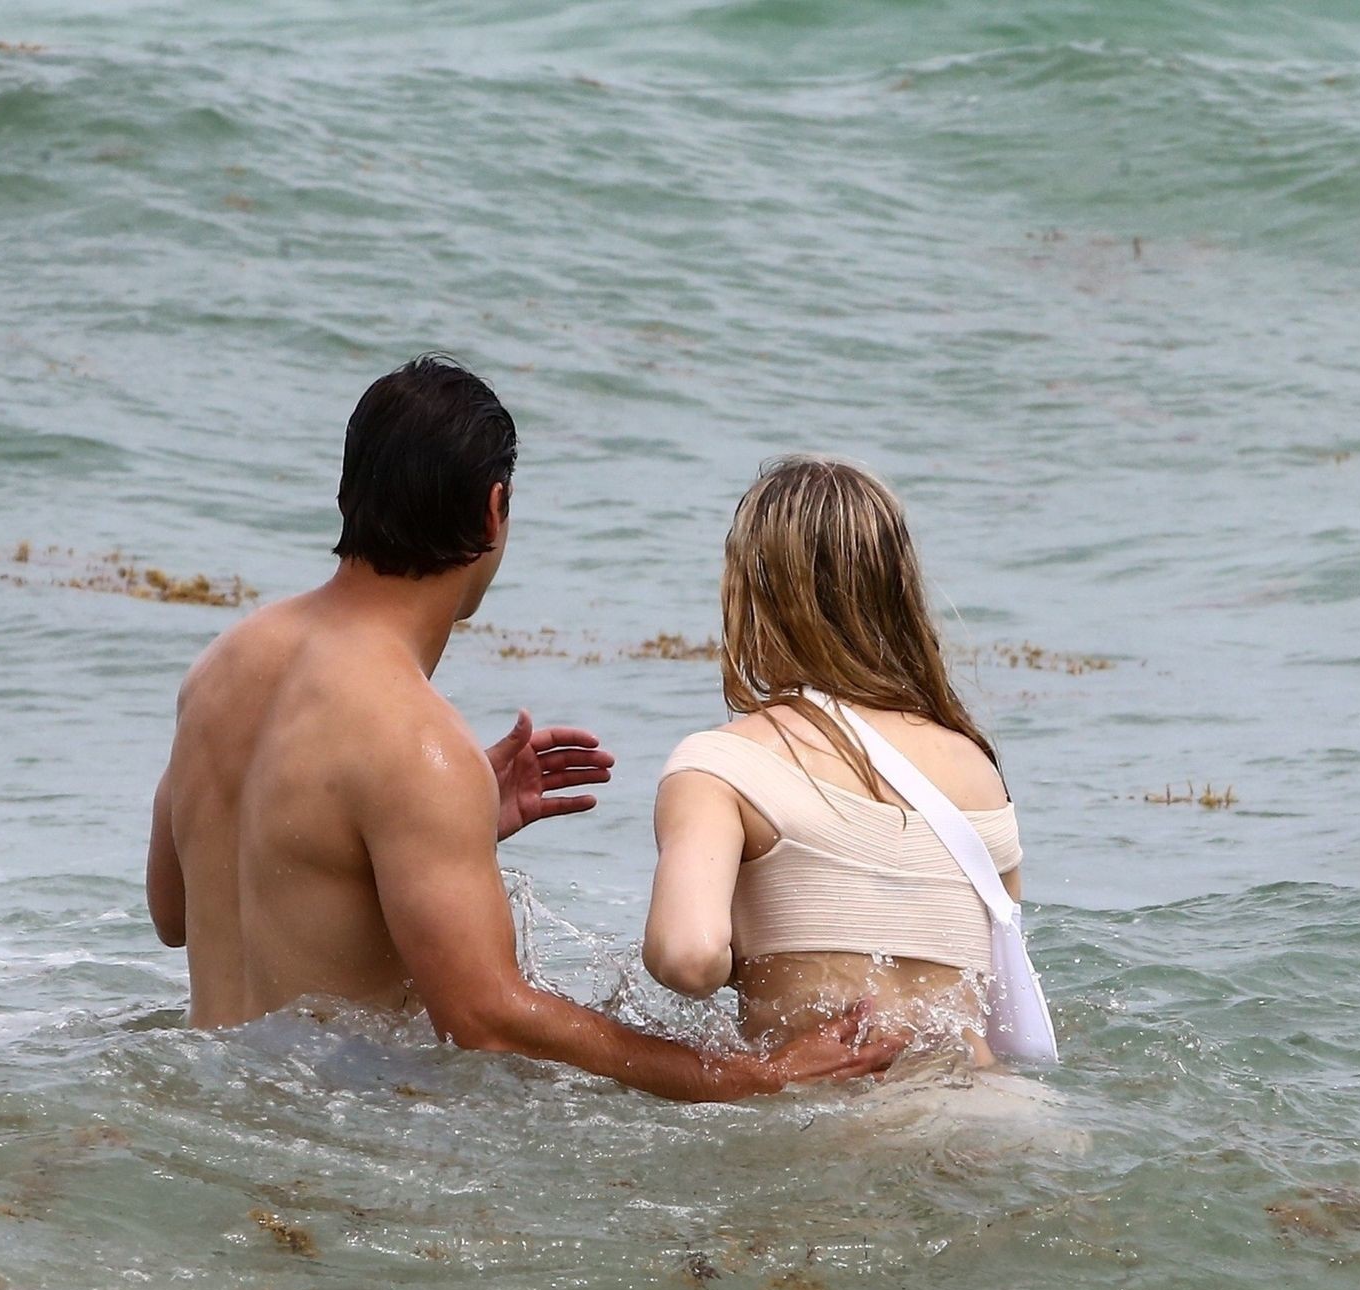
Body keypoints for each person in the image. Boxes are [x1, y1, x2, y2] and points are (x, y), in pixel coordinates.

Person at [144, 357, 903, 1102]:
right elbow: (487, 1021)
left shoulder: (221, 668)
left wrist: (418, 832)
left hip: (213, 1103)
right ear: (493, 508)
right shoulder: (413, 742)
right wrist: (749, 1074)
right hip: (331, 1130)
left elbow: (175, 914)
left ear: (348, 492)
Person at [643, 456, 1023, 1073]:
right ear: (899, 592)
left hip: (843, 1112)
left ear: (752, 594)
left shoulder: (722, 767)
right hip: (998, 1105)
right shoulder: (976, 766)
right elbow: (999, 988)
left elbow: (688, 958)